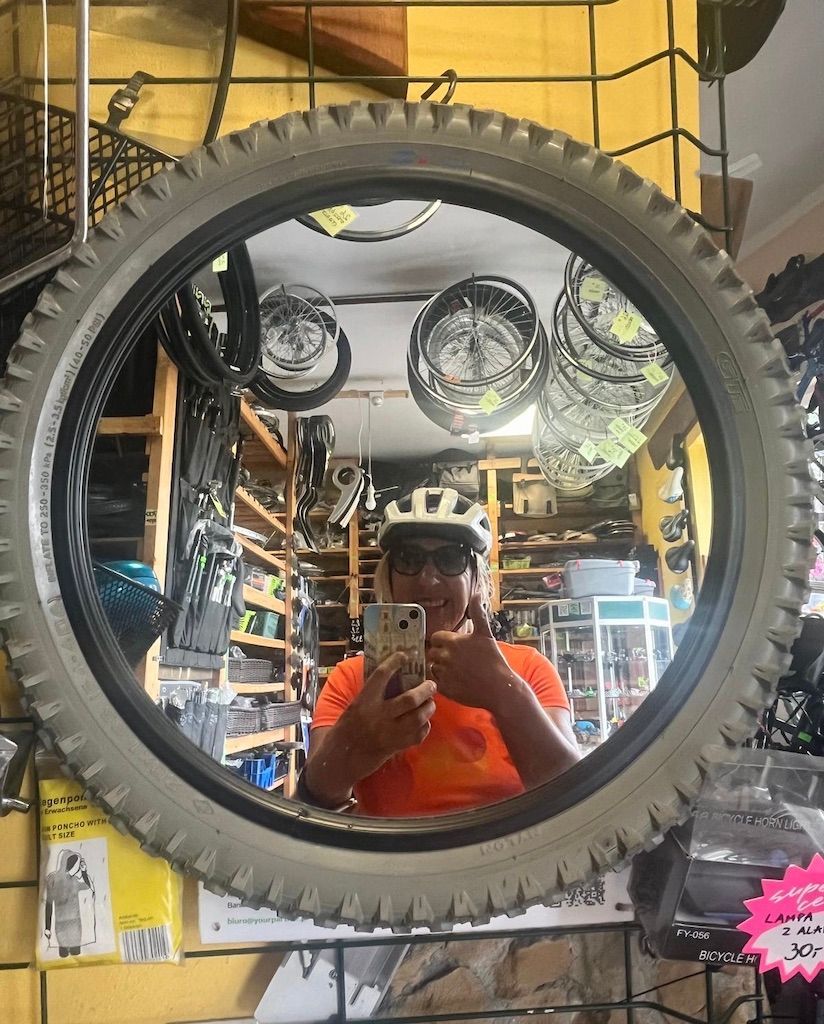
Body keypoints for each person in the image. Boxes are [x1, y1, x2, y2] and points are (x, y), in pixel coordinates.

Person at [299, 487, 580, 817]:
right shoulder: (353, 678)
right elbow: (313, 804)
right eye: (409, 559)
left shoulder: (528, 668)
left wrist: (506, 694)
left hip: (511, 849)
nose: (428, 580)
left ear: (476, 578)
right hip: (388, 850)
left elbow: (575, 798)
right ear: (388, 576)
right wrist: (353, 746)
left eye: (450, 559)